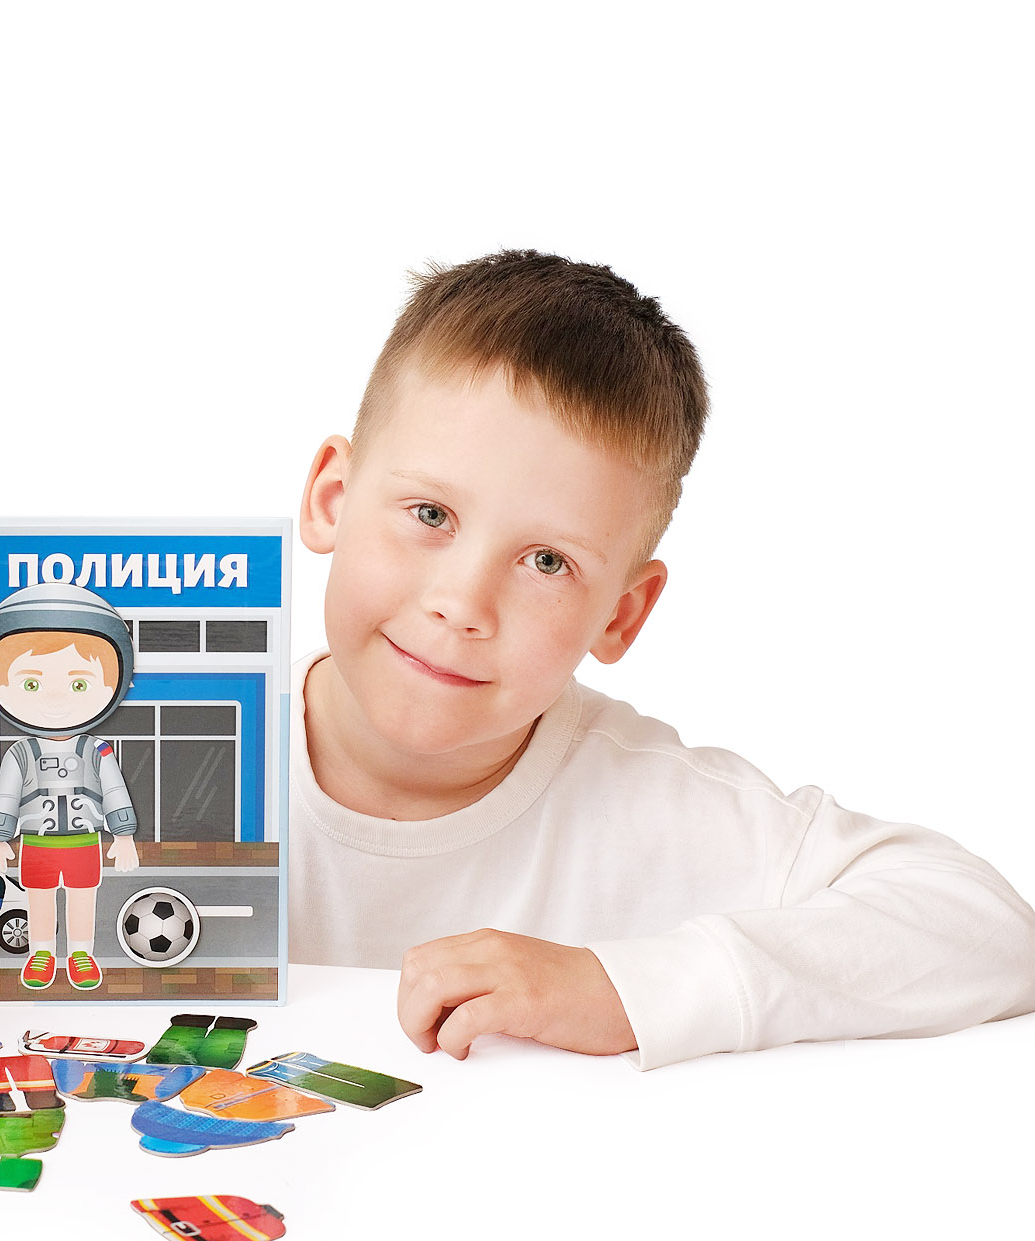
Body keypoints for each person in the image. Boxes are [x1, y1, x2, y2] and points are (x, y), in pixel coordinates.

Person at [290, 250, 1035, 1068]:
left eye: (547, 562)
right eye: (430, 514)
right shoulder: (182, 751)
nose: (462, 604)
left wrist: (625, 987)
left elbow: (990, 930)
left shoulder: (650, 807)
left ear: (621, 614)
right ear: (332, 500)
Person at [0, 582, 140, 992]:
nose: (54, 700)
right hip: (38, 842)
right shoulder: (21, 752)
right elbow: (7, 795)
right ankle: (42, 952)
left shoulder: (96, 750)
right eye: (31, 685)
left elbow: (114, 790)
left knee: (84, 897)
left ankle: (81, 953)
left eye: (79, 685)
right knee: (39, 898)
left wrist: (123, 835)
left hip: (84, 840)